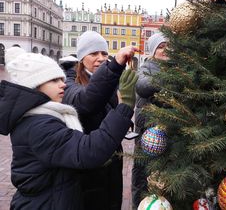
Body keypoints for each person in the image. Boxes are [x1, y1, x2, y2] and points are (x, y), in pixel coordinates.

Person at [0, 49, 138, 210]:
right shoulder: (39, 125)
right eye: (54, 80)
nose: (63, 84)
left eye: (61, 78)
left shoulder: (42, 116)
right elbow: (88, 151)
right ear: (34, 86)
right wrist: (125, 106)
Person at [62, 30, 138, 210]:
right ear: (81, 57)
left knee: (112, 202)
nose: (101, 58)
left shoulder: (109, 81)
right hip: (88, 168)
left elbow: (108, 112)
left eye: (104, 53)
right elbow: (86, 102)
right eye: (94, 53)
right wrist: (114, 67)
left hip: (111, 163)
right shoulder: (68, 81)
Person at [131, 32, 170, 209]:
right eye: (161, 47)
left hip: (166, 127)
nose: (165, 50)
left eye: (168, 45)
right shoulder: (147, 67)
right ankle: (138, 204)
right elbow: (142, 86)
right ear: (153, 51)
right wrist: (171, 79)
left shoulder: (175, 66)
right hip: (147, 129)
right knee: (142, 173)